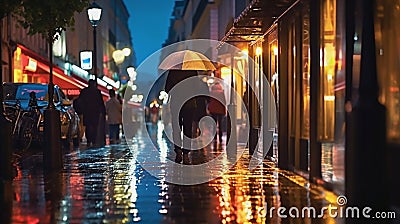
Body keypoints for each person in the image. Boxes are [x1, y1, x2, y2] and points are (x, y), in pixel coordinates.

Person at [165, 70, 198, 164]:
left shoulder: (173, 72)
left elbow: (167, 89)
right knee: (188, 128)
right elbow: (197, 87)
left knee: (176, 128)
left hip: (176, 103)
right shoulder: (193, 71)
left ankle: (178, 151)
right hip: (189, 103)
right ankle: (186, 154)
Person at [78, 79, 106, 147]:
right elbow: (100, 103)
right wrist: (103, 112)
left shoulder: (84, 91)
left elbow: (80, 101)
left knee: (88, 126)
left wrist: (81, 110)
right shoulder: (97, 92)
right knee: (94, 126)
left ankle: (89, 140)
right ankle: (93, 140)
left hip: (87, 112)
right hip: (95, 112)